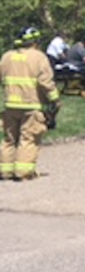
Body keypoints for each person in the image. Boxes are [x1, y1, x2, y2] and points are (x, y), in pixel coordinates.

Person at [0, 27, 60, 181]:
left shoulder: (7, 57)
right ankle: (23, 172)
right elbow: (45, 82)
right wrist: (54, 99)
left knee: (9, 139)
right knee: (28, 138)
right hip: (31, 106)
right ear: (34, 41)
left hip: (10, 105)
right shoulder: (39, 58)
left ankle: (5, 171)